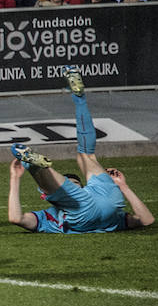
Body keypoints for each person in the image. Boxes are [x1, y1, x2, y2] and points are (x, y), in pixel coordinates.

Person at [8, 69, 153, 233]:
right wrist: (123, 187)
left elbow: (15, 218)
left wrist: (15, 179)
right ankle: (80, 99)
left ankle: (34, 165)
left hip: (82, 208)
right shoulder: (52, 213)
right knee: (86, 154)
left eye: (74, 184)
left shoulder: (48, 218)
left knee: (60, 180)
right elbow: (147, 220)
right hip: (109, 199)